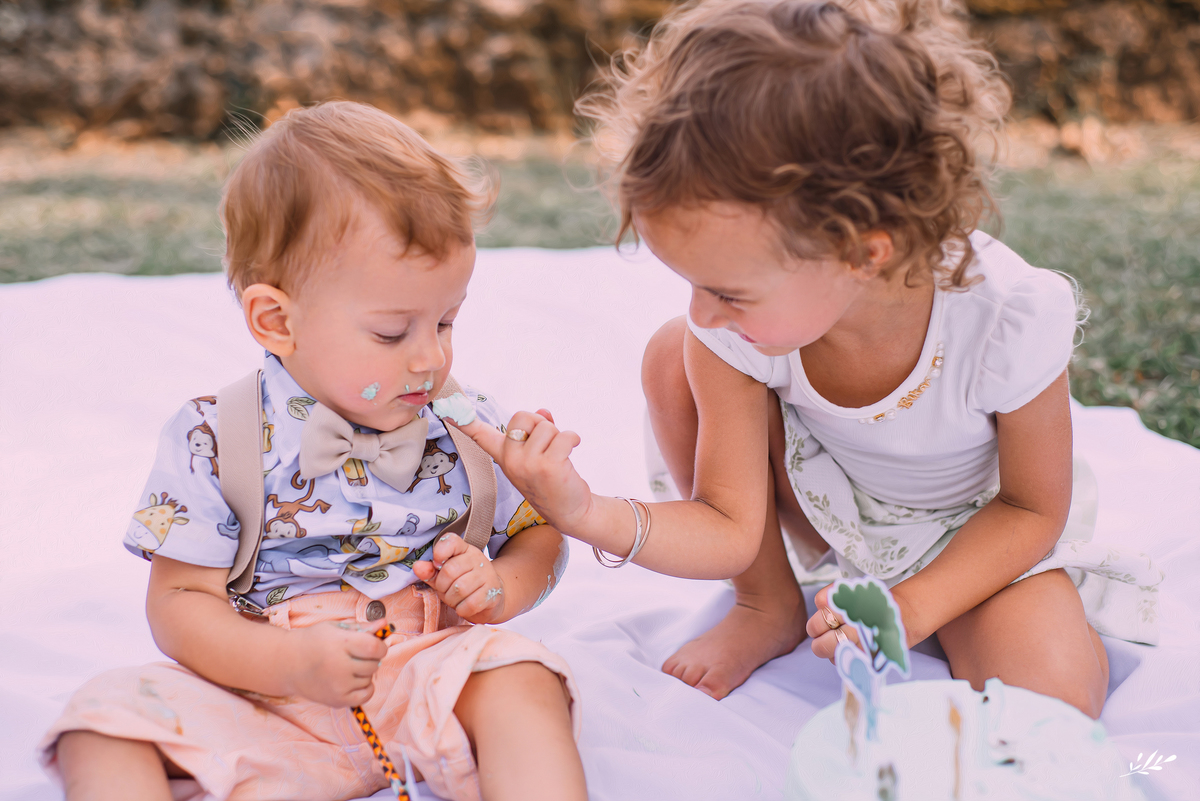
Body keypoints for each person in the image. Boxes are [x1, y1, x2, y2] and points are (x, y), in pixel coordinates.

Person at [447, 0, 1162, 720]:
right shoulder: (729, 336)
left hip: (977, 533)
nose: (704, 311)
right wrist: (583, 508)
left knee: (1056, 699)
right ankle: (768, 602)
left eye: (726, 289)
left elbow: (1032, 507)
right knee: (676, 354)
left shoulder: (1004, 317)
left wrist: (913, 606)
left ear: (860, 251)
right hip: (822, 507)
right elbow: (727, 524)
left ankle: (963, 614)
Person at [41, 101, 585, 801]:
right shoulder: (215, 436)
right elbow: (179, 600)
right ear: (276, 320)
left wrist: (502, 585)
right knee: (101, 723)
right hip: (264, 694)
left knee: (524, 679)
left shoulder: (465, 421)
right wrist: (284, 663)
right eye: (392, 333)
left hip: (426, 671)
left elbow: (537, 532)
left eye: (447, 319)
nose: (431, 355)